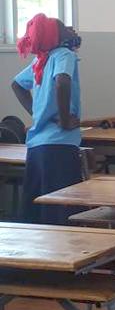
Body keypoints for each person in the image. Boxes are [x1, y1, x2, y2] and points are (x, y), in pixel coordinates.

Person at [11, 14, 82, 225]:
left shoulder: (41, 60)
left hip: (37, 145)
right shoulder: (64, 56)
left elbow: (16, 84)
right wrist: (64, 118)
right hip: (59, 143)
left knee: (38, 208)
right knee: (62, 207)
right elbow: (62, 81)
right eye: (64, 27)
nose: (71, 28)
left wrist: (37, 112)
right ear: (57, 36)